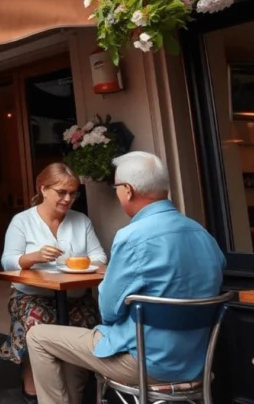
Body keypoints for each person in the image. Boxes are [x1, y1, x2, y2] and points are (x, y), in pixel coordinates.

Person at [27, 152, 226, 404]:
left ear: (128, 190)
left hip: (144, 363)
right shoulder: (203, 234)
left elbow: (108, 311)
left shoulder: (133, 237)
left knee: (38, 337)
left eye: (117, 188)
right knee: (80, 337)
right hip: (197, 361)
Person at [0, 163, 107, 403]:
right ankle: (33, 385)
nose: (68, 199)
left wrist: (77, 262)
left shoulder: (81, 221)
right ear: (44, 189)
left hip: (74, 296)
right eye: (62, 192)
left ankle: (72, 388)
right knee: (36, 322)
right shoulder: (22, 221)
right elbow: (8, 262)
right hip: (31, 294)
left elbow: (100, 257)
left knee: (84, 324)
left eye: (73, 193)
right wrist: (34, 257)